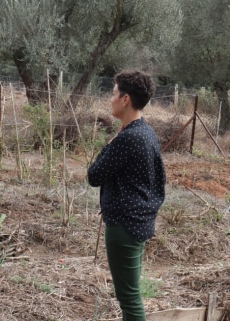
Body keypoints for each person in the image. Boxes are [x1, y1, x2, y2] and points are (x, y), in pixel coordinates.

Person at [88, 69, 166, 321]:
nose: (109, 99)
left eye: (113, 93)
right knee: (129, 295)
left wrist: (108, 145)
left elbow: (94, 176)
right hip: (137, 222)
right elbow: (159, 181)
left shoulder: (128, 138)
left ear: (125, 100)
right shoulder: (146, 133)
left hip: (124, 226)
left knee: (130, 299)